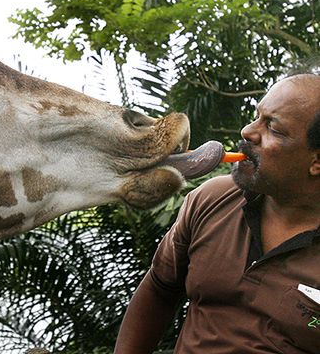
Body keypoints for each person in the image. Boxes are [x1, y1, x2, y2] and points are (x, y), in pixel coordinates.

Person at [114, 72, 320, 354]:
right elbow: (160, 289)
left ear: (317, 161)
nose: (247, 131)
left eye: (273, 128)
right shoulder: (212, 199)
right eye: (257, 115)